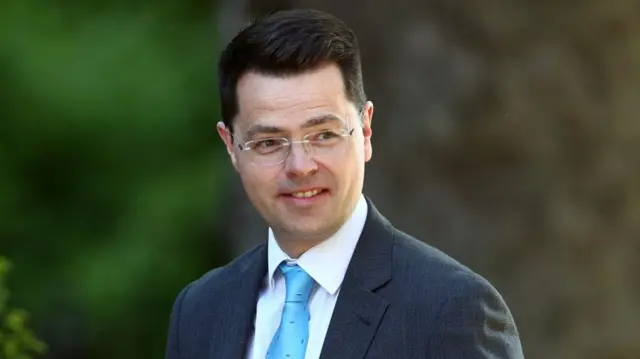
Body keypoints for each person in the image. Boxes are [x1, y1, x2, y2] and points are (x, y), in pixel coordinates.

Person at [165, 8, 524, 359]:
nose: (300, 167)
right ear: (231, 147)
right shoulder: (201, 310)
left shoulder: (453, 310)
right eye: (269, 143)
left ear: (365, 130)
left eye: (323, 135)